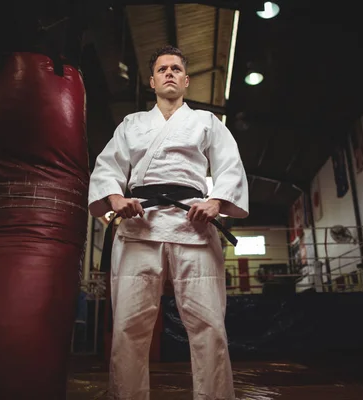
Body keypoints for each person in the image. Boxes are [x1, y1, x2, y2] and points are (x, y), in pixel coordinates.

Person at [88, 45, 249, 400]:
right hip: (139, 225)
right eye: (163, 69)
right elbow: (108, 168)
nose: (170, 73)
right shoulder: (132, 124)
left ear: (187, 80)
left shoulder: (206, 122)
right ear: (152, 81)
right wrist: (117, 200)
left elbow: (229, 165)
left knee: (208, 325)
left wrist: (216, 201)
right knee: (129, 325)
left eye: (176, 68)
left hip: (193, 224)